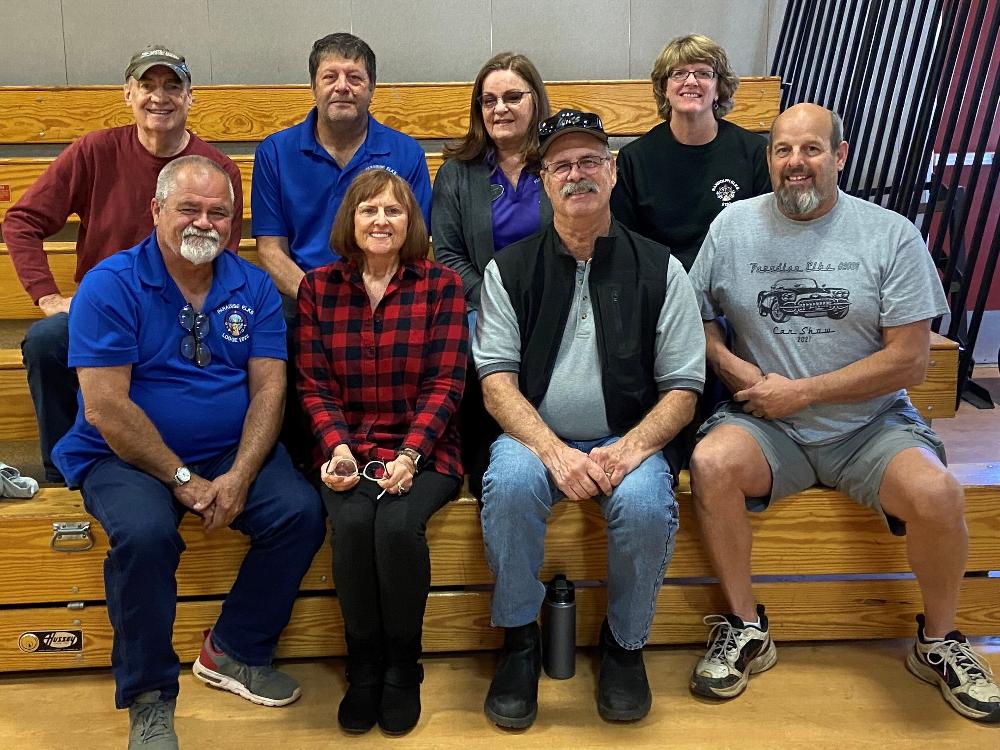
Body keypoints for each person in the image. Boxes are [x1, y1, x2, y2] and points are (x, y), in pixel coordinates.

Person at [686, 103, 1000, 723]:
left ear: (841, 156)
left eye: (811, 150)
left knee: (939, 495)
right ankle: (748, 628)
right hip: (768, 426)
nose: (796, 163)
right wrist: (731, 366)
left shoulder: (890, 234)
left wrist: (803, 392)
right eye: (783, 151)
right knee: (711, 462)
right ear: (769, 158)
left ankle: (938, 642)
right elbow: (696, 320)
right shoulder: (732, 228)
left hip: (870, 426)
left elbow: (910, 362)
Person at [51, 156, 325, 749]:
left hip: (229, 448)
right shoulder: (109, 283)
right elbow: (106, 407)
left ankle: (234, 648)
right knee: (146, 537)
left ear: (235, 222)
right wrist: (181, 477)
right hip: (121, 455)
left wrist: (241, 473)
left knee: (300, 513)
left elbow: (270, 387)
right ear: (156, 212)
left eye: (218, 212)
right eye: (189, 209)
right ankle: (150, 698)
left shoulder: (252, 285)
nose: (204, 222)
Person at [475, 109, 705, 727]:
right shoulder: (509, 269)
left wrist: (628, 450)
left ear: (612, 172)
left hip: (627, 437)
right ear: (543, 181)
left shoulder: (662, 269)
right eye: (562, 166)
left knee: (647, 503)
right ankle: (520, 643)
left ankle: (625, 648)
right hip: (534, 437)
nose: (577, 175)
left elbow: (684, 387)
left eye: (590, 162)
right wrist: (552, 451)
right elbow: (495, 382)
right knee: (514, 484)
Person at [4, 45, 243, 483]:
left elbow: (220, 259)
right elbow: (21, 221)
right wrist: (47, 296)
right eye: (147, 86)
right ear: (127, 95)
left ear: (190, 98)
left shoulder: (217, 170)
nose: (160, 97)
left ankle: (199, 466)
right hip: (103, 310)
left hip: (181, 313)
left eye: (173, 86)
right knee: (47, 341)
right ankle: (64, 479)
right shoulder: (93, 152)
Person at [296, 169, 467, 735]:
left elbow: (446, 383)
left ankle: (402, 666)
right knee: (350, 524)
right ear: (351, 219)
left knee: (395, 528)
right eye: (368, 210)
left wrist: (411, 455)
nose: (380, 221)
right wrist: (339, 449)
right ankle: (363, 663)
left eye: (393, 211)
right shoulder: (318, 288)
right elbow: (314, 385)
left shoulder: (440, 286)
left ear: (410, 221)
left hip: (428, 449)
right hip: (347, 451)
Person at [432, 51, 551, 495]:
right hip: (479, 304)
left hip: (553, 301)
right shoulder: (457, 174)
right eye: (488, 100)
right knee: (473, 354)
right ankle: (483, 470)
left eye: (512, 97)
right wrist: (496, 303)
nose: (499, 108)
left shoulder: (559, 164)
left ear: (535, 101)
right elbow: (448, 255)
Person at [252, 32, 432, 300]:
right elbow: (270, 250)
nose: (342, 87)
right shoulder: (275, 153)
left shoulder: (406, 153)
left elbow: (414, 245)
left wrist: (372, 298)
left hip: (386, 296)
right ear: (313, 87)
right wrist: (318, 301)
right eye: (330, 77)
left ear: (372, 89)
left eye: (354, 78)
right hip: (303, 296)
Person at [611, 34, 769, 272]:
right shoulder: (635, 159)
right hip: (663, 283)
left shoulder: (754, 152)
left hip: (732, 280)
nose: (691, 81)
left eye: (704, 73)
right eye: (679, 73)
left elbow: (761, 236)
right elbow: (629, 243)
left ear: (719, 89)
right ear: (664, 87)